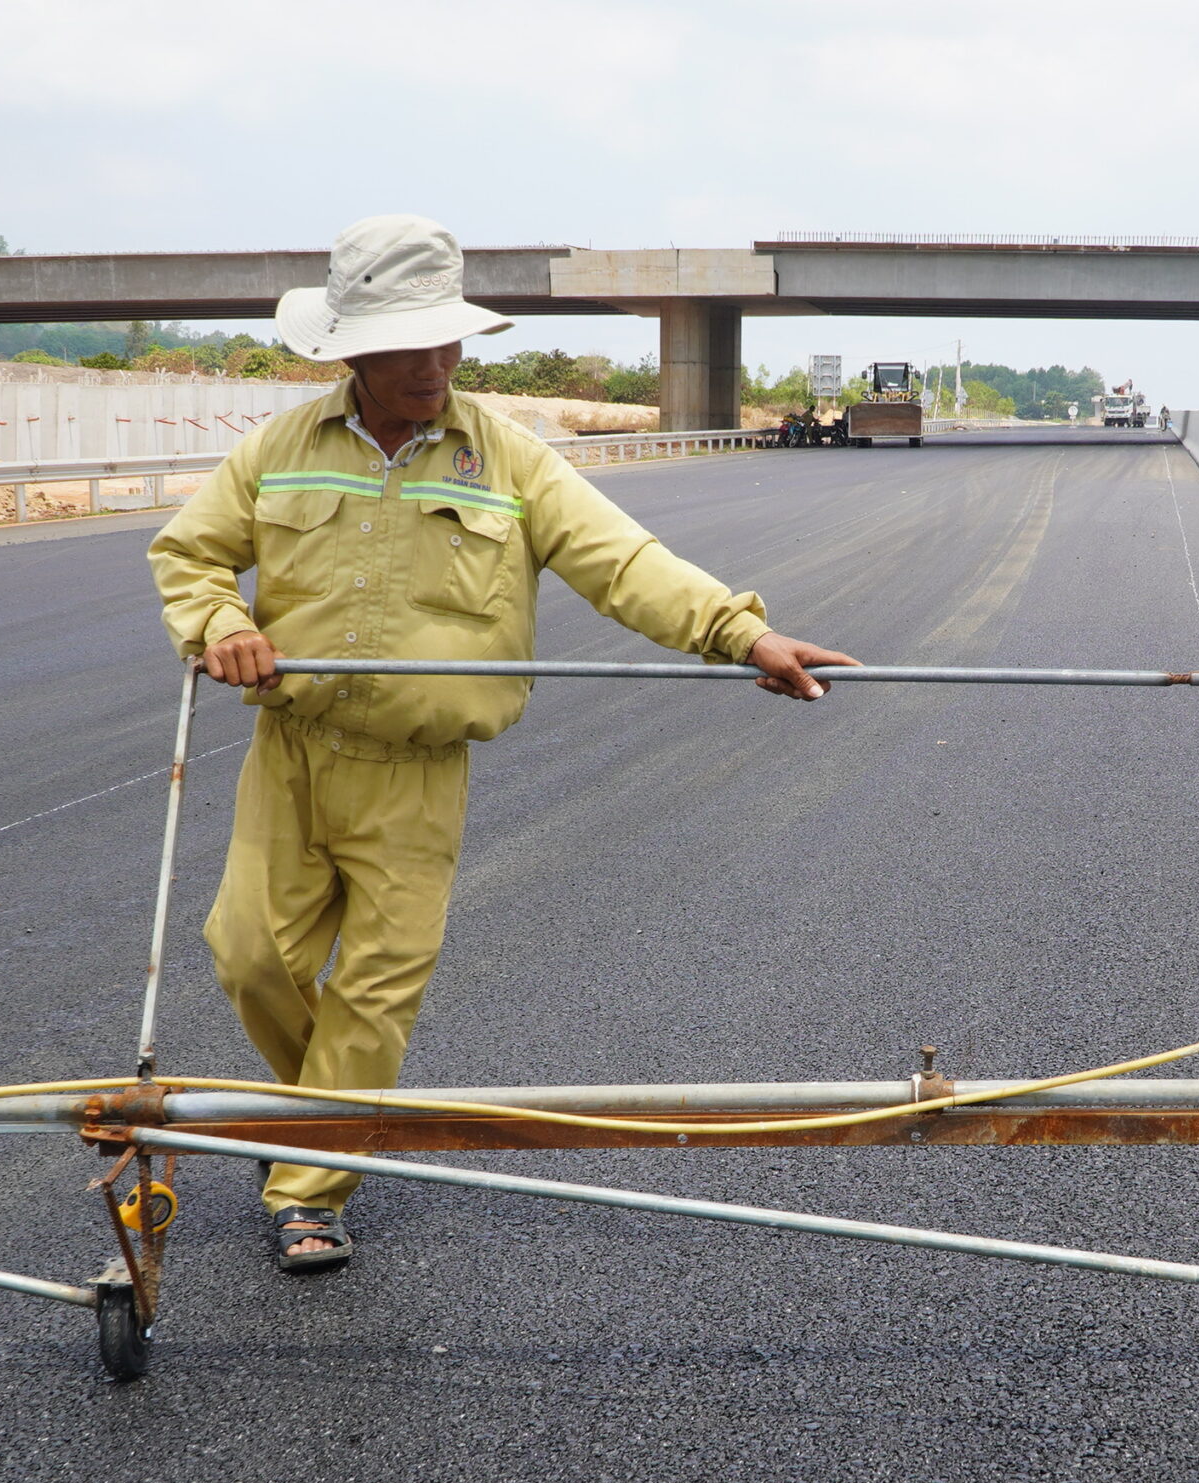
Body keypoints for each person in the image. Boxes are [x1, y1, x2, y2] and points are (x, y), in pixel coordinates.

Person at [150, 215, 856, 1271]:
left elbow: (625, 562)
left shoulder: (508, 460)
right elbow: (189, 554)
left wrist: (740, 631)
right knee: (246, 955)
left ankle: (308, 1186)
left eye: (447, 342)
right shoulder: (278, 453)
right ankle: (317, 1116)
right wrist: (223, 625)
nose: (434, 365)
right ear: (346, 350)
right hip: (289, 752)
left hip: (417, 771)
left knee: (379, 984)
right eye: (406, 346)